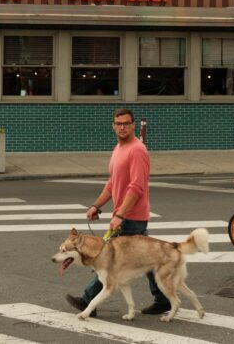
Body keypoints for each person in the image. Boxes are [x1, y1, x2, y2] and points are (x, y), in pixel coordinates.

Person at [66, 108, 171, 316]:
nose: (122, 127)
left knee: (107, 260)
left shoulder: (137, 150)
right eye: (118, 123)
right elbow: (113, 183)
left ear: (133, 125)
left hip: (131, 217)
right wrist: (97, 205)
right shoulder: (119, 148)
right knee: (146, 258)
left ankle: (88, 301)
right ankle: (163, 299)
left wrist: (120, 215)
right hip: (125, 215)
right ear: (113, 125)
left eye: (126, 123)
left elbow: (136, 187)